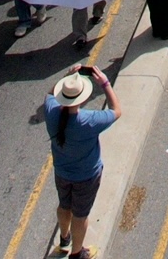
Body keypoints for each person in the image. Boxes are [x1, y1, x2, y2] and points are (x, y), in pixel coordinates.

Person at [39, 67, 121, 259]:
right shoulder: (89, 120)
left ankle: (64, 239)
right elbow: (116, 110)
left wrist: (67, 78)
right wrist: (105, 83)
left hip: (62, 173)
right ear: (82, 98)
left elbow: (50, 94)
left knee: (64, 205)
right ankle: (77, 254)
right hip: (86, 177)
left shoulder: (51, 111)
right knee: (80, 215)